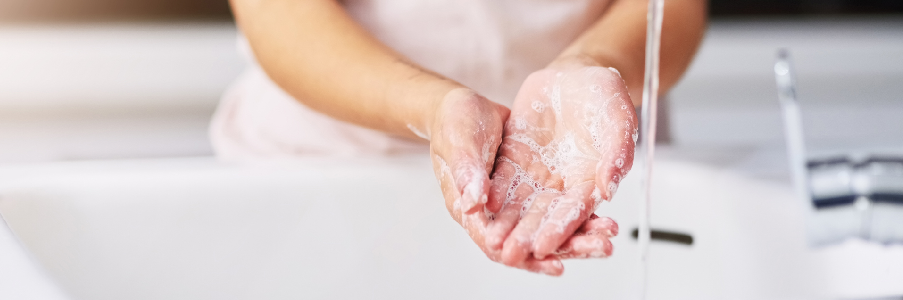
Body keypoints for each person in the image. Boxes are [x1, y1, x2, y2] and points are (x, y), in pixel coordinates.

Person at [213, 0, 706, 276]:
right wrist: (432, 105)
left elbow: (672, 7)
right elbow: (278, 15)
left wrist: (593, 62)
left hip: (583, 164)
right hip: (323, 166)